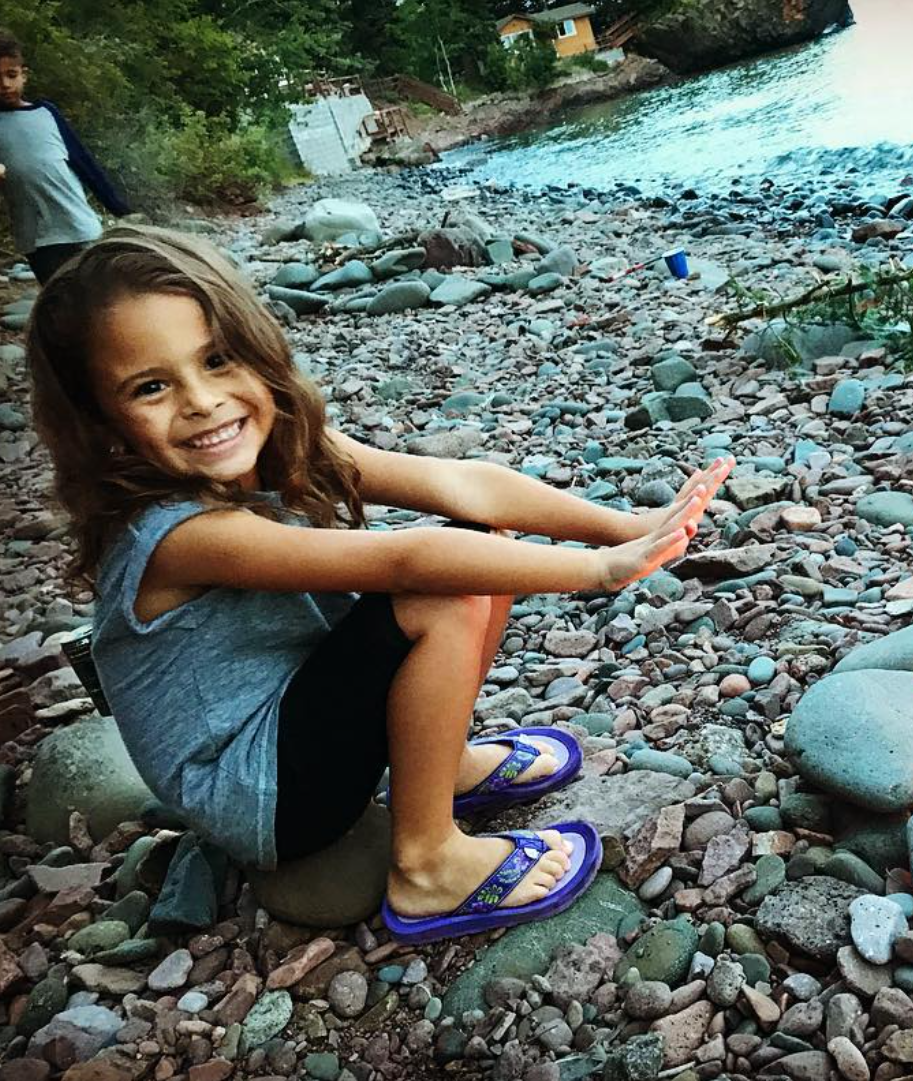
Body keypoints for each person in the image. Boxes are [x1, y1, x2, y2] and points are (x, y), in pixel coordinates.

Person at [26, 225, 734, 943]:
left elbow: (460, 484)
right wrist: (600, 571)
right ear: (101, 425)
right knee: (442, 590)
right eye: (151, 386)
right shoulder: (177, 535)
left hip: (287, 718)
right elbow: (408, 562)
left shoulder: (272, 445)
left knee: (483, 549)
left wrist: (622, 524)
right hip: (256, 792)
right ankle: (428, 862)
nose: (203, 400)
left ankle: (442, 763)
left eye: (217, 359)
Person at [0, 28, 131, 284]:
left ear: (23, 75)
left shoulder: (47, 113)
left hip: (79, 224)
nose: (4, 84)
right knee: (59, 299)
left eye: (11, 75)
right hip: (37, 237)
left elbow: (83, 162)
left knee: (94, 292)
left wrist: (119, 208)